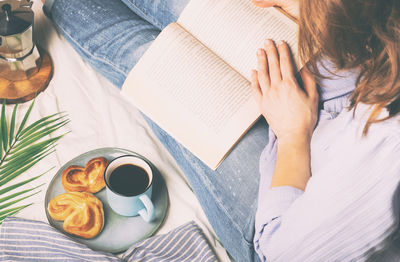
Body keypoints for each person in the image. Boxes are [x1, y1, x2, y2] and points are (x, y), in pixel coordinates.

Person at [43, 0, 400, 261]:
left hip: (287, 195)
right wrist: (317, 11)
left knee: (136, 50)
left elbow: (281, 251)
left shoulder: (385, 159)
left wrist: (293, 136)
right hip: (358, 68)